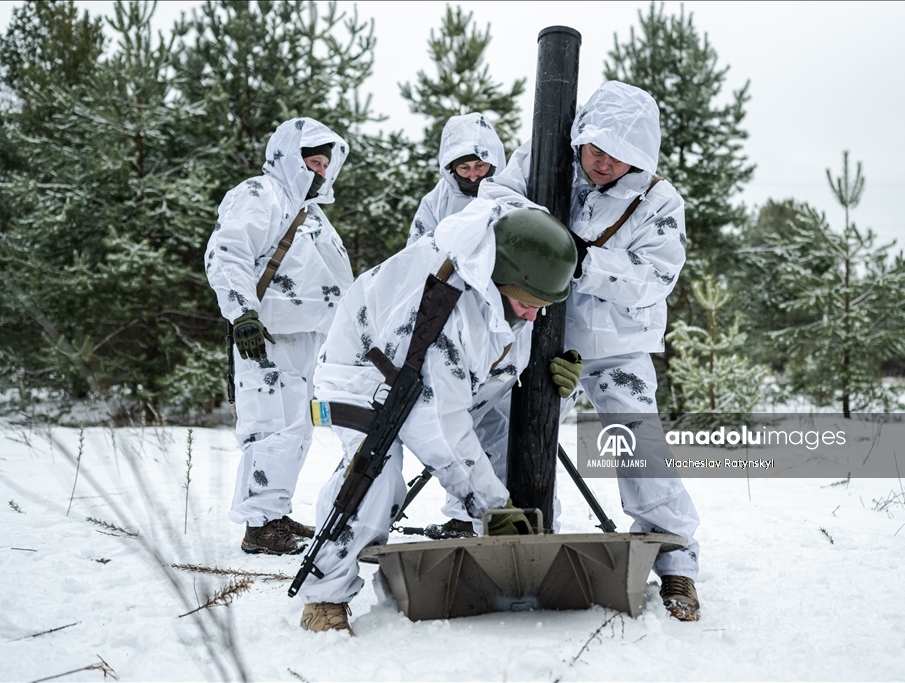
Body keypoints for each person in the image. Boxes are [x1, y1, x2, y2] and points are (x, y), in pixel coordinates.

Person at [296, 202, 582, 635]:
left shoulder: (507, 293)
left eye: (542, 305)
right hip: (366, 379)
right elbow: (438, 425)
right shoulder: (443, 306)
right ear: (500, 281)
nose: (533, 315)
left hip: (448, 384)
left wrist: (561, 388)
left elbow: (499, 383)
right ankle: (324, 597)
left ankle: (506, 568)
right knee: (372, 478)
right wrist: (493, 507)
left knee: (511, 450)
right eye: (526, 303)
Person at [478, 81, 703, 622]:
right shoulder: (542, 157)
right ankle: (518, 545)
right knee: (506, 433)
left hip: (615, 349)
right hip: (538, 334)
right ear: (580, 137)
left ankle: (676, 562)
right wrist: (542, 236)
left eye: (619, 156)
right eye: (596, 149)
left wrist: (583, 260)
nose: (603, 163)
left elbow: (654, 278)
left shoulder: (659, 202)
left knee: (639, 443)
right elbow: (496, 202)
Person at [204, 117, 354, 556]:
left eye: (325, 164)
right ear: (290, 157)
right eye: (312, 162)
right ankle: (258, 525)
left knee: (296, 430)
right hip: (264, 336)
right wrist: (242, 314)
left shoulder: (313, 214)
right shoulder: (260, 193)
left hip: (306, 337)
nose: (320, 171)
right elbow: (227, 252)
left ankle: (274, 513)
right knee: (269, 426)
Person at [406, 112, 507, 246]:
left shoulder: (511, 193)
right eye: (464, 168)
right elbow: (417, 251)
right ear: (452, 169)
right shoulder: (434, 203)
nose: (473, 176)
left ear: (493, 163)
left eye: (480, 166)